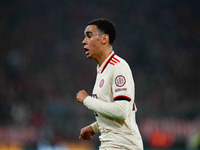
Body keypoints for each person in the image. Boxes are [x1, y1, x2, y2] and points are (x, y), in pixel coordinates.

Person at [76, 18, 143, 150]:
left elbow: (122, 110)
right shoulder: (102, 69)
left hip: (123, 146)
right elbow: (116, 113)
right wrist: (95, 127)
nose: (84, 41)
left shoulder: (118, 67)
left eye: (89, 36)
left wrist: (87, 100)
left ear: (104, 39)